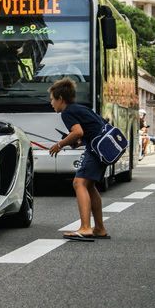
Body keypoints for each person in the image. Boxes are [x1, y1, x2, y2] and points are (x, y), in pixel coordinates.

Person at [48, 78, 109, 242]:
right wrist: (80, 142)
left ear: (61, 99)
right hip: (103, 149)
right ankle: (100, 228)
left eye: (53, 99)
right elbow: (92, 128)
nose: (51, 102)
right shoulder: (81, 108)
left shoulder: (67, 112)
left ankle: (85, 228)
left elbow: (77, 132)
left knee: (78, 183)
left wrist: (59, 145)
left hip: (95, 150)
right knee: (89, 185)